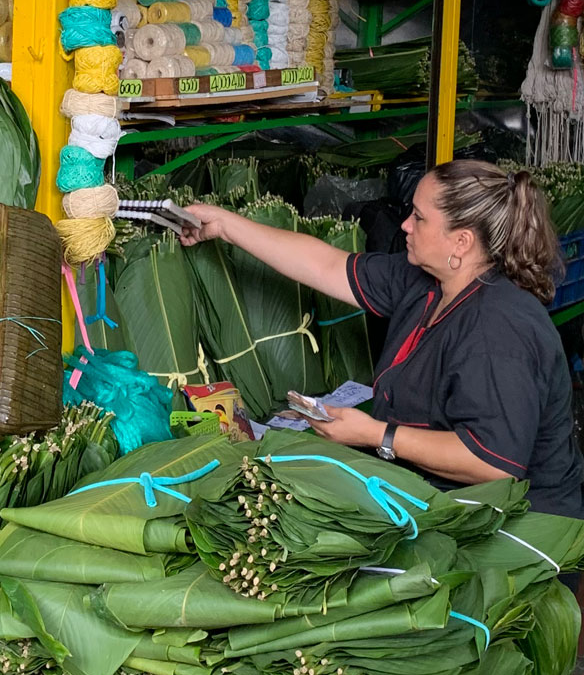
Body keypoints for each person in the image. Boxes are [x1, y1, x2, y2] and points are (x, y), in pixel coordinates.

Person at [177, 159, 584, 519]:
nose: (404, 224)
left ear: (461, 242)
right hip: (444, 498)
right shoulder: (427, 280)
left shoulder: (498, 327)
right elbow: (326, 265)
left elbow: (492, 462)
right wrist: (226, 225)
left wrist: (377, 436)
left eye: (420, 218)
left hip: (517, 525)